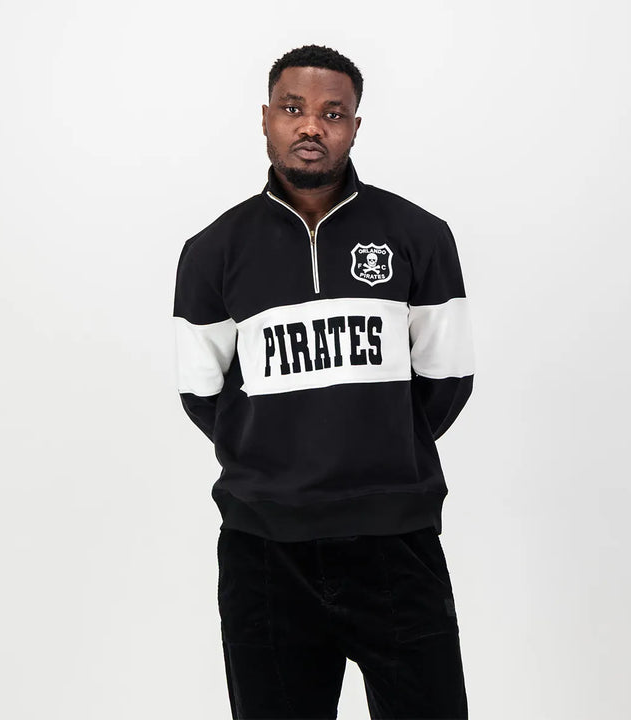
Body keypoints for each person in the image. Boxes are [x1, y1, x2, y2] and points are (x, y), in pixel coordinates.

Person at [173, 43, 475, 720]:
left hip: (396, 544)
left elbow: (447, 379)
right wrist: (279, 458)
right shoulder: (213, 251)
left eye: (333, 113)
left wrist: (377, 444)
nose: (312, 125)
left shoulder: (419, 235)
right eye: (293, 109)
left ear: (355, 126)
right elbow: (202, 393)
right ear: (266, 118)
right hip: (264, 553)